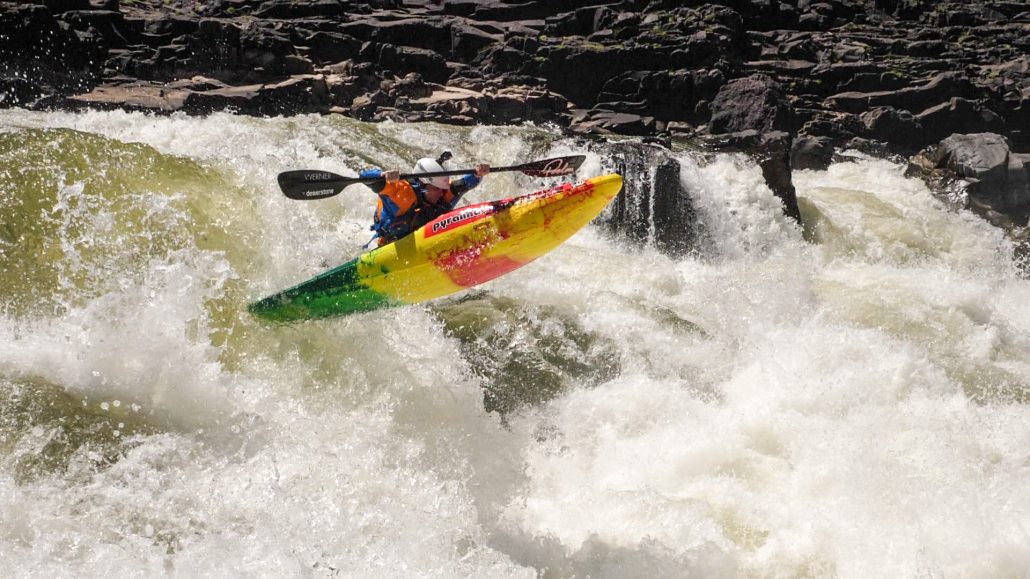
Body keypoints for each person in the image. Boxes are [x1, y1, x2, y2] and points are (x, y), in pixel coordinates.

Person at [358, 153, 491, 246]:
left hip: (426, 244)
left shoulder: (442, 194)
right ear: (423, 184)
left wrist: (477, 173)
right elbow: (365, 178)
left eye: (442, 189)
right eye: (436, 189)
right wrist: (381, 175)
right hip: (389, 246)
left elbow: (463, 184)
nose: (441, 193)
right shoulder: (400, 193)